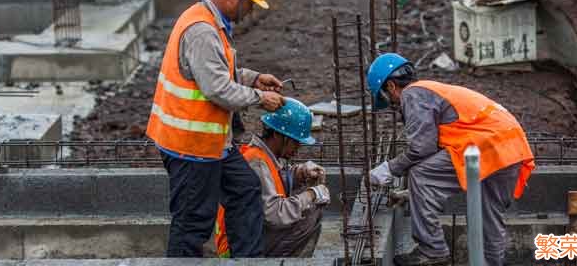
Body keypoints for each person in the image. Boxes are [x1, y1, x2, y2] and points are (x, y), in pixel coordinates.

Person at [145, 0, 286, 258]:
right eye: (250, 4)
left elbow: (217, 73)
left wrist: (254, 79)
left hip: (212, 144)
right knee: (192, 223)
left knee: (246, 190)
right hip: (191, 147)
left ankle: (247, 260)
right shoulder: (202, 31)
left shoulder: (210, 22)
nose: (249, 13)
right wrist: (261, 98)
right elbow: (218, 89)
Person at [365, 53, 535, 266]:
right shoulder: (432, 90)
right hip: (510, 147)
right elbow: (439, 150)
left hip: (487, 145)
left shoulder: (412, 94)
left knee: (421, 175)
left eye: (385, 97)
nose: (391, 104)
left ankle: (432, 251)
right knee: (486, 218)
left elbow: (421, 148)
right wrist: (413, 194)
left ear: (390, 86)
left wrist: (389, 169)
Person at [213, 98, 331, 258]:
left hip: (248, 235)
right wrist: (311, 194)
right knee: (310, 213)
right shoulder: (257, 162)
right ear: (278, 135)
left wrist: (300, 173)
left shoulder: (266, 156)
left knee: (306, 201)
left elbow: (277, 180)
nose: (297, 149)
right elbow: (275, 214)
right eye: (295, 142)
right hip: (236, 248)